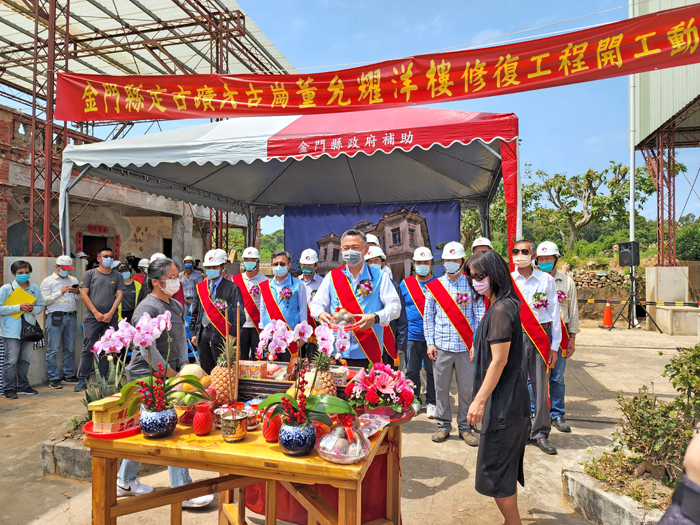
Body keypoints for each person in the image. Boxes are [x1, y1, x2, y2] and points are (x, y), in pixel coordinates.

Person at [117, 257, 214, 508]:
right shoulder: (147, 309)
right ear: (156, 282)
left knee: (147, 429)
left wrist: (183, 365)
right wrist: (169, 373)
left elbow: (180, 338)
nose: (178, 280)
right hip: (146, 376)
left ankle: (124, 481)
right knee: (169, 429)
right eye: (172, 277)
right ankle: (183, 492)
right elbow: (145, 347)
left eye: (177, 275)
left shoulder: (175, 305)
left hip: (170, 373)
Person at [466, 249, 530, 525]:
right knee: (502, 469)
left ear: (496, 274)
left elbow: (499, 361)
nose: (475, 281)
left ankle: (513, 522)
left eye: (481, 275)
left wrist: (478, 401)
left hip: (505, 402)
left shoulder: (502, 308)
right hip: (504, 399)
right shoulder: (496, 305)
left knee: (497, 468)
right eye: (471, 276)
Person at [310, 229, 401, 368]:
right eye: (346, 248)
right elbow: (316, 304)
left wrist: (375, 317)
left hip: (369, 350)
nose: (350, 251)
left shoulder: (380, 276)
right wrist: (319, 313)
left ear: (366, 250)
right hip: (338, 351)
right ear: (341, 250)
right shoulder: (332, 276)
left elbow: (395, 307)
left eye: (355, 247)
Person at [424, 241, 485, 446]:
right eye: (447, 260)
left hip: (465, 348)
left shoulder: (472, 284)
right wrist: (430, 343)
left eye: (455, 259)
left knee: (466, 390)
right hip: (441, 346)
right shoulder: (434, 286)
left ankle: (465, 428)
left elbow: (479, 316)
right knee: (441, 388)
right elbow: (428, 318)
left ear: (462, 261)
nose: (451, 263)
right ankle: (443, 427)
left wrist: (476, 343)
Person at [511, 239, 561, 455]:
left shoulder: (545, 280)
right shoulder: (509, 280)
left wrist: (555, 345)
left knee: (541, 385)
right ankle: (519, 431)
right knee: (516, 385)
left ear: (533, 256)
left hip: (541, 335)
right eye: (515, 251)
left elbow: (554, 312)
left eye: (524, 251)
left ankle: (540, 433)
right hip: (515, 336)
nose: (519, 254)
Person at [535, 241, 579, 434]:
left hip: (559, 336)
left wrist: (572, 338)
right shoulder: (532, 280)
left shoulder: (567, 282)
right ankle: (532, 412)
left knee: (557, 377)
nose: (544, 262)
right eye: (541, 259)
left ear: (556, 260)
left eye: (548, 259)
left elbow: (573, 311)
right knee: (533, 377)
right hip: (536, 334)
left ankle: (557, 414)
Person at [75, 247, 125, 392]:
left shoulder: (117, 276)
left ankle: (104, 377)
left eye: (111, 256)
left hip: (111, 317)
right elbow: (84, 295)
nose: (108, 259)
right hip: (92, 317)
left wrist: (110, 313)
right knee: (88, 347)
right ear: (98, 258)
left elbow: (119, 296)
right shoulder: (89, 274)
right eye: (105, 256)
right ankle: (83, 379)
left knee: (107, 348)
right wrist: (96, 312)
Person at [190, 249, 244, 374]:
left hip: (223, 335)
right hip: (203, 334)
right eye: (208, 267)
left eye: (214, 267)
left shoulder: (232, 288)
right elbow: (196, 312)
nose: (211, 270)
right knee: (205, 370)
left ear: (222, 267)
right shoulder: (201, 287)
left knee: (223, 371)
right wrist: (194, 332)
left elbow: (239, 314)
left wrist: (233, 334)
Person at [0, 261, 45, 399]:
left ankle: (23, 386)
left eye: (26, 272)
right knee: (11, 360)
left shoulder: (35, 289)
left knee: (25, 359)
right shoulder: (6, 289)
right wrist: (18, 307)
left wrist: (33, 309)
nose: (24, 275)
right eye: (20, 273)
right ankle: (8, 388)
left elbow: (41, 306)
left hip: (29, 329)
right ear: (13, 274)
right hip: (11, 330)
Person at [401, 247, 436, 417]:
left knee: (432, 371)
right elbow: (399, 312)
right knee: (412, 370)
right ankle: (414, 400)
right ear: (414, 264)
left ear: (431, 264)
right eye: (419, 263)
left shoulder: (438, 284)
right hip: (411, 336)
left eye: (425, 262)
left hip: (433, 338)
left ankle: (431, 402)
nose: (422, 265)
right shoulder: (405, 284)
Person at [40, 256, 80, 389]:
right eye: (64, 269)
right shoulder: (48, 281)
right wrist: (60, 292)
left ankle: (68, 375)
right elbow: (44, 301)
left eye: (68, 269)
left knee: (69, 347)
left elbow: (79, 298)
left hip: (71, 316)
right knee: (53, 348)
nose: (66, 272)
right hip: (55, 317)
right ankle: (53, 378)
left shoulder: (73, 279)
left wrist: (77, 292)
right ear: (57, 267)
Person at [259, 250, 307, 361]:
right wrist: (262, 332)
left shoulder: (298, 284)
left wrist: (302, 336)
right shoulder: (265, 285)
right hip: (270, 337)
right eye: (275, 264)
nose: (278, 266)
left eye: (282, 264)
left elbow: (303, 310)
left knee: (289, 371)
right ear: (272, 266)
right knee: (270, 371)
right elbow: (263, 309)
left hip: (289, 336)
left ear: (289, 265)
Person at [365, 246, 407, 368]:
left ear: (383, 264)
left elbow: (402, 318)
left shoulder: (394, 286)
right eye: (369, 261)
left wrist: (400, 343)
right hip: (366, 339)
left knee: (387, 380)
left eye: (376, 261)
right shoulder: (360, 286)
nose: (372, 264)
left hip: (388, 341)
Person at [231, 247, 267, 361]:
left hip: (257, 326)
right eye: (247, 259)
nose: (249, 262)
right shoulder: (235, 280)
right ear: (243, 261)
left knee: (258, 358)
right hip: (240, 326)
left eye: (252, 259)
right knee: (241, 357)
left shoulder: (265, 281)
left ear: (257, 262)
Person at [298, 248, 322, 359]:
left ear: (315, 265)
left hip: (316, 325)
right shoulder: (294, 282)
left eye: (310, 265)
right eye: (304, 264)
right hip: (298, 327)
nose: (306, 267)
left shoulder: (323, 283)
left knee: (313, 359)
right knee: (298, 359)